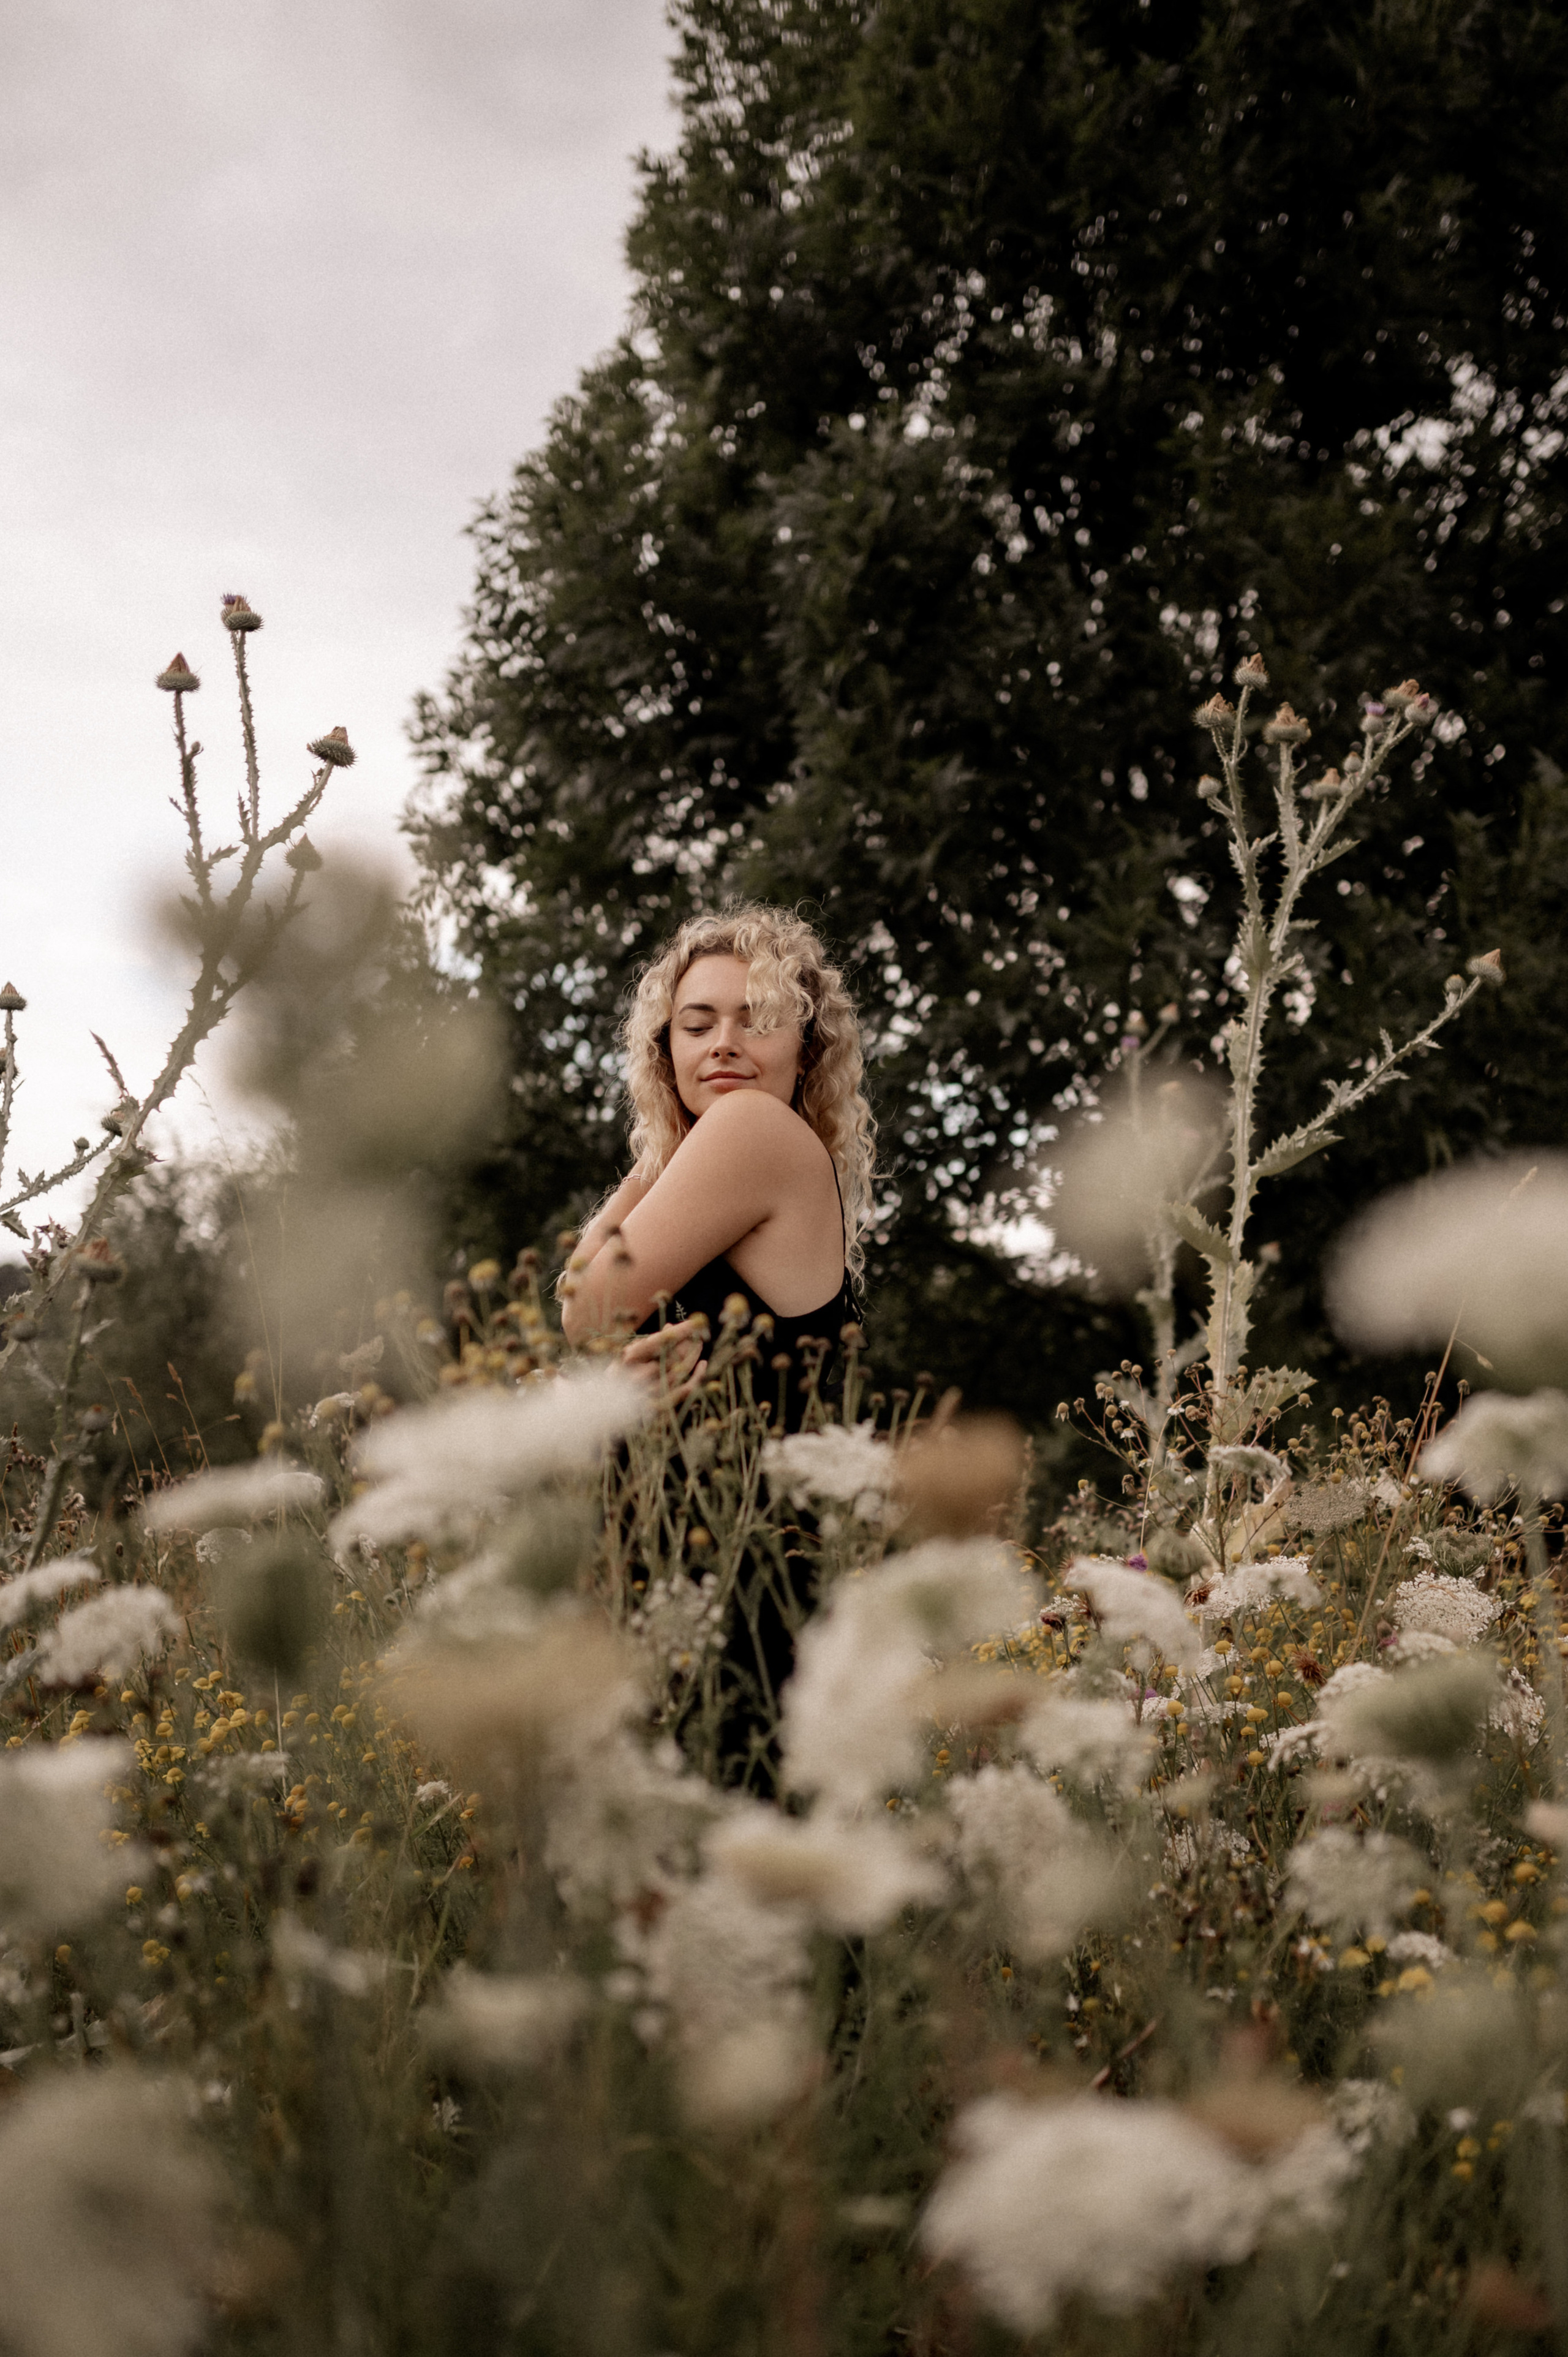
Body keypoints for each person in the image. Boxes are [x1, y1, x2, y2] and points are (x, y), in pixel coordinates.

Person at [560, 903, 874, 1429]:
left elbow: (586, 1314)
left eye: (760, 1022)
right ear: (668, 1053)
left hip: (731, 1505)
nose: (724, 1044)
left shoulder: (753, 1126)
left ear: (806, 1054)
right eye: (698, 1026)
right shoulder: (757, 1161)